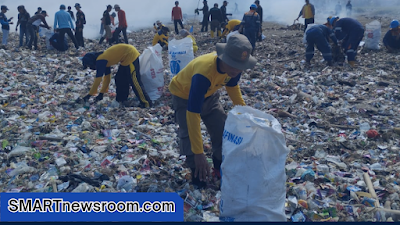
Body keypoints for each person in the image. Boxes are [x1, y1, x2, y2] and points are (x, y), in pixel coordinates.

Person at [168, 34, 256, 187]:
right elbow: (193, 114)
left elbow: (233, 87)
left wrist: (245, 115)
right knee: (188, 133)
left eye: (240, 66)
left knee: (221, 127)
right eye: (233, 64)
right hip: (184, 95)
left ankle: (218, 167)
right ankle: (198, 174)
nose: (237, 70)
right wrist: (199, 153)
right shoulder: (204, 72)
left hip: (210, 94)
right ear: (224, 58)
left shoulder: (235, 69)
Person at [80, 44, 152, 108]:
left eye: (89, 65)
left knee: (134, 81)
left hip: (130, 55)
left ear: (91, 62)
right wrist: (101, 93)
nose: (90, 68)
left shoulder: (100, 60)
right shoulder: (102, 59)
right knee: (119, 78)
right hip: (124, 59)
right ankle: (122, 99)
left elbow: (98, 79)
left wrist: (89, 95)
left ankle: (146, 103)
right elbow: (107, 78)